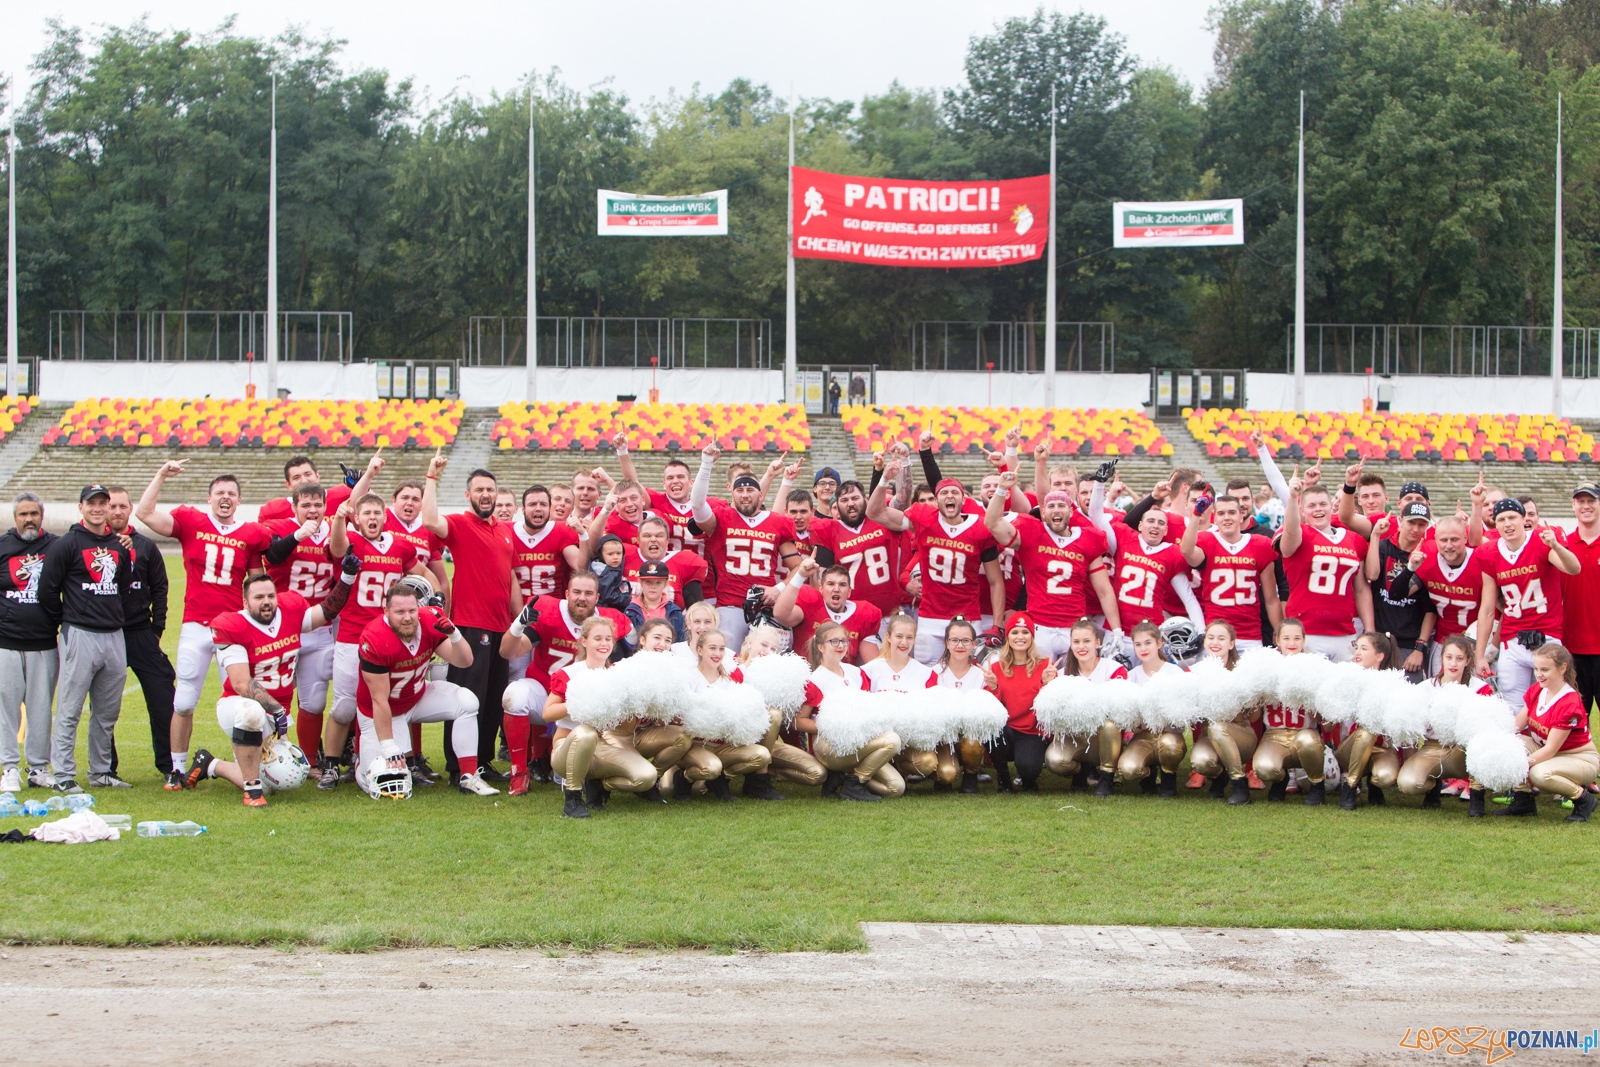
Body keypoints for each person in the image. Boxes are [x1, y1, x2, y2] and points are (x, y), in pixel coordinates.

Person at [135, 462, 273, 785]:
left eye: (232, 494)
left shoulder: (251, 534)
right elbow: (143, 513)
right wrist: (160, 475)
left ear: (239, 501)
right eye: (220, 493)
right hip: (196, 624)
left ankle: (253, 767)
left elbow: (257, 585)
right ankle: (177, 768)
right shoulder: (191, 521)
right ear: (209, 497)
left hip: (232, 629)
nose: (225, 498)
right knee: (183, 700)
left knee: (244, 700)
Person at [187, 565, 355, 805]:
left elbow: (326, 611)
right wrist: (276, 708)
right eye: (258, 597)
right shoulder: (232, 625)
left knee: (286, 779)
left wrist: (347, 578)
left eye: (270, 596)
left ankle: (211, 764)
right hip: (238, 707)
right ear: (245, 603)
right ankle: (251, 790)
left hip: (276, 716)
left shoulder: (290, 611)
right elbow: (241, 682)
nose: (266, 602)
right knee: (252, 714)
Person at [320, 493, 437, 790]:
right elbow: (336, 547)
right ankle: (331, 764)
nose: (372, 518)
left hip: (389, 636)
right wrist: (337, 519)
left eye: (377, 513)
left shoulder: (400, 545)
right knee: (345, 706)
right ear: (356, 519)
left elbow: (424, 575)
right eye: (366, 513)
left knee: (388, 701)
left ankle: (374, 758)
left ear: (385, 517)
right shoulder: (351, 541)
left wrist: (436, 602)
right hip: (352, 635)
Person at [420, 452, 519, 783]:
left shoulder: (505, 530)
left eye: (490, 489)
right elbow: (431, 521)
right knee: (467, 697)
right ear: (469, 495)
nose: (486, 495)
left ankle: (483, 760)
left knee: (493, 699)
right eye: (479, 490)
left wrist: (519, 618)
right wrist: (432, 477)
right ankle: (457, 766)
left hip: (501, 628)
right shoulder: (461, 524)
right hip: (470, 625)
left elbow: (510, 577)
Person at [354, 583, 497, 798]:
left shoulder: (429, 620)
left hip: (417, 696)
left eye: (412, 611)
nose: (407, 617)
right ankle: (360, 762)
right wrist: (387, 745)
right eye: (399, 612)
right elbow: (379, 700)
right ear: (386, 612)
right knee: (384, 782)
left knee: (467, 701)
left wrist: (454, 634)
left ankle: (468, 776)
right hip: (384, 712)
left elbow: (465, 661)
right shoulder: (375, 638)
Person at [498, 572, 634, 795]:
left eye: (588, 593)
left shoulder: (609, 621)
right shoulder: (549, 611)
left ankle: (554, 762)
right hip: (546, 693)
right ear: (567, 594)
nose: (582, 598)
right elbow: (508, 651)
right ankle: (519, 771)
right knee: (515, 695)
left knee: (566, 770)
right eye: (577, 592)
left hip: (586, 704)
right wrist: (517, 626)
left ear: (597, 597)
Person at [37, 485, 133, 794]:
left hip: (113, 635)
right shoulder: (67, 544)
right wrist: (67, 619)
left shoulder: (118, 546)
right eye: (91, 503)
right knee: (70, 708)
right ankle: (63, 773)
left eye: (102, 503)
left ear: (108, 507)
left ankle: (101, 771)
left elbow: (123, 587)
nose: (97, 508)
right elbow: (47, 590)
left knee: (107, 711)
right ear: (81, 507)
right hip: (80, 634)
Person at [870, 459, 1004, 664]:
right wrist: (884, 480)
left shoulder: (980, 528)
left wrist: (997, 624)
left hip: (967, 616)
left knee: (969, 677)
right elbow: (874, 512)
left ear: (963, 499)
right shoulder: (924, 519)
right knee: (927, 677)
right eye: (944, 493)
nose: (949, 496)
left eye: (955, 492)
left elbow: (996, 581)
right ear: (936, 499)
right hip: (930, 618)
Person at [980, 469, 1119, 662]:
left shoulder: (1088, 538)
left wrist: (1117, 630)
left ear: (1071, 510)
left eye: (1062, 505)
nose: (1056, 509)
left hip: (1075, 627)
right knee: (1039, 684)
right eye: (1051, 506)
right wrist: (1002, 489)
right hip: (1040, 626)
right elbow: (992, 522)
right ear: (1043, 512)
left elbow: (1104, 590)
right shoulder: (1032, 532)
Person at [689, 442, 801, 652]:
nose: (745, 494)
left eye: (750, 489)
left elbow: (797, 567)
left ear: (760, 494)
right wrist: (706, 464)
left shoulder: (777, 521)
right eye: (740, 489)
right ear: (732, 492)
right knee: (726, 659)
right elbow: (697, 505)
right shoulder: (721, 518)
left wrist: (778, 589)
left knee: (767, 663)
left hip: (765, 605)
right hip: (729, 606)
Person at [545, 615, 661, 818]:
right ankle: (572, 798)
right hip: (567, 748)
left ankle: (601, 784)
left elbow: (624, 729)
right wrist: (581, 701)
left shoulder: (617, 674)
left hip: (600, 747)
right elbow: (547, 713)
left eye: (608, 638)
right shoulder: (570, 674)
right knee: (585, 733)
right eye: (597, 638)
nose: (604, 643)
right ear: (584, 641)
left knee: (647, 776)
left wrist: (632, 706)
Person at [259, 481, 339, 768]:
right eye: (305, 504)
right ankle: (271, 757)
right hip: (281, 628)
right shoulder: (280, 527)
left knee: (315, 701)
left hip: (319, 626)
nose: (312, 509)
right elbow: (272, 556)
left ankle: (309, 763)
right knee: (275, 697)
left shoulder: (334, 532)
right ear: (294, 508)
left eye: (317, 504)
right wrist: (297, 535)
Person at [1472, 497, 1580, 709]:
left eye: (1512, 517)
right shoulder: (1490, 553)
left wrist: (1556, 546)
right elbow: (1487, 609)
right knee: (1512, 706)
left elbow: (1574, 569)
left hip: (1547, 635)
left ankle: (1550, 743)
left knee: (1549, 704)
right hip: (1512, 639)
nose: (1507, 523)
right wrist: (1479, 656)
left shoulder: (1541, 540)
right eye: (1501, 519)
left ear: (1524, 519)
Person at [106, 485, 175, 782]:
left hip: (141, 633)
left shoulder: (146, 546)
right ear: (102, 509)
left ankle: (170, 764)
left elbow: (160, 588)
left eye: (123, 506)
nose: (117, 511)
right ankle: (105, 767)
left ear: (131, 508)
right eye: (112, 506)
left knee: (163, 696)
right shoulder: (92, 546)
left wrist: (156, 628)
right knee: (104, 702)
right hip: (106, 635)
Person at [798, 620, 902, 801]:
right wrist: (833, 726)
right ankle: (852, 781)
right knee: (892, 740)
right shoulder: (815, 680)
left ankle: (849, 779)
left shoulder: (856, 673)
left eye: (844, 641)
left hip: (860, 740)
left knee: (896, 788)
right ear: (821, 647)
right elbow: (799, 721)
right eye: (834, 641)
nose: (840, 645)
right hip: (829, 744)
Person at [1496, 642, 1599, 821]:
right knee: (1509, 744)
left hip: (1580, 758)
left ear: (1562, 669)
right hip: (1550, 752)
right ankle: (1523, 801)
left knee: (1539, 774)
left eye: (1545, 669)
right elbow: (1516, 726)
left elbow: (1551, 749)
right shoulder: (1538, 689)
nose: (1538, 674)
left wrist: (1521, 764)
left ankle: (1583, 799)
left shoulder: (1569, 703)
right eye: (1536, 669)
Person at [1279, 470, 1373, 662]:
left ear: (1332, 507)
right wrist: (1292, 498)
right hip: (1305, 631)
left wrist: (1370, 630)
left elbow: (1362, 590)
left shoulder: (1353, 540)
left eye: (1323, 504)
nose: (1318, 509)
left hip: (1344, 631)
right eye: (1311, 506)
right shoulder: (1300, 533)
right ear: (1302, 511)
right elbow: (1289, 538)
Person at [0, 492, 58, 793]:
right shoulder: (2, 546)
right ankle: (9, 768)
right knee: (5, 708)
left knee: (40, 709)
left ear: (42, 515)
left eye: (33, 513)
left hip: (45, 643)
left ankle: (38, 767)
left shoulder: (57, 546)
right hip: (6, 643)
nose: (29, 519)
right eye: (23, 514)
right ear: (15, 518)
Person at [674, 629, 774, 801]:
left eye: (721, 649)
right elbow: (676, 716)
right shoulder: (688, 677)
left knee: (762, 755)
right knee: (711, 767)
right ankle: (684, 778)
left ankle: (721, 779)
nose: (717, 653)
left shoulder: (729, 680)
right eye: (712, 648)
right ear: (700, 650)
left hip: (723, 745)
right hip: (695, 745)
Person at [1396, 634, 1492, 813]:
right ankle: (1433, 785)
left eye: (1459, 658)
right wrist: (1413, 760)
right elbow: (1410, 729)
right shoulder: (1426, 687)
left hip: (1465, 750)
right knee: (1408, 784)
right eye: (1449, 658)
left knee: (1479, 741)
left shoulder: (1480, 688)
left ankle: (1477, 796)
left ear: (1468, 660)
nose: (1453, 664)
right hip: (1433, 747)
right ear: (1442, 659)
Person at [1178, 494, 1281, 649]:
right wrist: (1196, 515)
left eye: (1232, 513)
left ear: (1241, 516)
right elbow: (1186, 551)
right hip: (1215, 634)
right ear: (1215, 519)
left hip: (1250, 634)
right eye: (1221, 513)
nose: (1226, 517)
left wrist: (1278, 629)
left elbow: (1271, 599)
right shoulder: (1206, 540)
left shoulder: (1260, 545)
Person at [1385, 515, 1481, 675]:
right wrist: (1410, 568)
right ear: (1435, 539)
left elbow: (1496, 607)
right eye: (1443, 540)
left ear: (1465, 538)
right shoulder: (1428, 556)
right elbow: (1396, 594)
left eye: (1454, 539)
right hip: (1442, 641)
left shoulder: (1479, 560)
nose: (1449, 546)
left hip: (1476, 641)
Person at [1044, 618, 1129, 797]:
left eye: (1086, 641)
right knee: (1054, 760)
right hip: (1076, 739)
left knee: (1109, 724)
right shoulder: (1061, 674)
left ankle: (1106, 776)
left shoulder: (1114, 669)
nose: (1081, 646)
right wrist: (1046, 685)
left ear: (1098, 643)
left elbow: (1120, 710)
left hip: (1103, 739)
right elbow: (1051, 715)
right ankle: (1080, 770)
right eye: (1076, 642)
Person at [1252, 619, 1331, 805]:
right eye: (1286, 638)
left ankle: (1317, 785)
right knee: (1263, 769)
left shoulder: (1315, 669)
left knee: (1308, 740)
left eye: (1297, 638)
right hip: (1273, 735)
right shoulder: (1266, 667)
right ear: (1277, 640)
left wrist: (1309, 698)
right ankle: (1280, 780)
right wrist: (1256, 695)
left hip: (1304, 735)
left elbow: (1325, 723)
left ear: (1304, 640)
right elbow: (1254, 717)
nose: (1292, 643)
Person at [860, 613, 939, 788]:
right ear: (888, 637)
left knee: (928, 763)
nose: (904, 642)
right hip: (878, 742)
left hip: (910, 741)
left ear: (914, 639)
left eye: (909, 637)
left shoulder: (926, 673)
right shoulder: (869, 670)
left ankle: (899, 769)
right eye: (899, 636)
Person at [809, 479, 904, 620]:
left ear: (865, 500)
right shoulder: (828, 530)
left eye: (855, 498)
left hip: (889, 613)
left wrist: (903, 463)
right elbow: (821, 579)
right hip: (849, 613)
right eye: (844, 500)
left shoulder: (881, 520)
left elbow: (903, 501)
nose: (851, 504)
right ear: (836, 506)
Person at [984, 612, 1057, 794]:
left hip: (1031, 731)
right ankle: (1003, 778)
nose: (1020, 637)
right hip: (1006, 730)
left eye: (1025, 632)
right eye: (1015, 632)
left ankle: (1027, 778)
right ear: (1008, 637)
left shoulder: (1045, 666)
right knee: (990, 727)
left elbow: (1052, 704)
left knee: (1029, 768)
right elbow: (989, 708)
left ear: (1032, 637)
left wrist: (1046, 684)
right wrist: (992, 687)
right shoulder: (995, 667)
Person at [1189, 621, 1257, 805]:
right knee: (1201, 761)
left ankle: (1239, 784)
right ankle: (1220, 776)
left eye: (1221, 638)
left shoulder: (1242, 672)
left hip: (1240, 734)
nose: (1215, 642)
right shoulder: (1195, 672)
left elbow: (1253, 718)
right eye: (1210, 638)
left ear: (1231, 644)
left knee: (1219, 728)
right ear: (1204, 642)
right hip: (1208, 734)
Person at [1365, 507, 1437, 682]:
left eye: (1421, 525)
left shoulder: (1429, 556)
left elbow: (1431, 608)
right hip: (1381, 638)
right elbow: (1372, 575)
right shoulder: (1383, 547)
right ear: (1400, 521)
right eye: (1411, 522)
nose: (1415, 529)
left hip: (1409, 643)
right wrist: (1375, 536)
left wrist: (1419, 649)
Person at [1333, 631, 1402, 810]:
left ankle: (1374, 783)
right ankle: (1351, 786)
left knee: (1385, 777)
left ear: (1379, 656)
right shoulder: (1346, 678)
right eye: (1357, 648)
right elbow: (1332, 723)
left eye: (1364, 649)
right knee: (1366, 732)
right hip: (1350, 748)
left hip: (1381, 748)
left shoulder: (1393, 684)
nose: (1357, 653)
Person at [1119, 621, 1188, 797]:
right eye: (1138, 644)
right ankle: (1148, 775)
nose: (1143, 648)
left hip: (1170, 733)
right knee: (1128, 769)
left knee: (1169, 745)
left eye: (1148, 643)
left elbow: (1182, 714)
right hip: (1143, 734)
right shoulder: (1132, 675)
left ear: (1158, 643)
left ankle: (1168, 777)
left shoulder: (1174, 673)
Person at [771, 556, 882, 664]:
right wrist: (800, 575)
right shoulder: (811, 604)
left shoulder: (864, 614)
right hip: (807, 677)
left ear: (849, 592)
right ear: (821, 589)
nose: (836, 589)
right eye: (831, 584)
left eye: (842, 584)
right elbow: (780, 614)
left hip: (841, 678)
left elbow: (873, 664)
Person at [926, 617, 992, 793]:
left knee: (972, 743)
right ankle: (940, 773)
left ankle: (971, 775)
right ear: (947, 643)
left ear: (973, 644)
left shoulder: (981, 674)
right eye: (954, 640)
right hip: (943, 738)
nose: (960, 645)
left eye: (965, 641)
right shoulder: (934, 673)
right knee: (946, 774)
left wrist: (994, 687)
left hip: (969, 734)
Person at [1559, 482, 1600, 714]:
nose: (1586, 506)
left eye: (1591, 501)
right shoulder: (1562, 546)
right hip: (1571, 648)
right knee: (1574, 721)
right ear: (1573, 505)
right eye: (1581, 501)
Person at [256, 453, 375, 523]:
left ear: (317, 476)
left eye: (308, 474)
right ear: (288, 484)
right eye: (296, 477)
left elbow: (376, 518)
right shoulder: (272, 510)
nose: (304, 480)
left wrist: (363, 486)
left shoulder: (343, 495)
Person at [621, 515, 706, 607]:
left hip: (669, 620)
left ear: (667, 541)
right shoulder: (624, 555)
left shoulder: (685, 563)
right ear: (638, 540)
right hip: (628, 619)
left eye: (659, 535)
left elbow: (695, 610)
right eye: (647, 535)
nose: (653, 539)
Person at [623, 559, 685, 644]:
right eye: (648, 582)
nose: (653, 586)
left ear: (665, 583)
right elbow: (628, 644)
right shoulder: (630, 611)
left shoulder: (675, 612)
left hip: (668, 656)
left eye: (658, 582)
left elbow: (680, 643)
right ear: (640, 582)